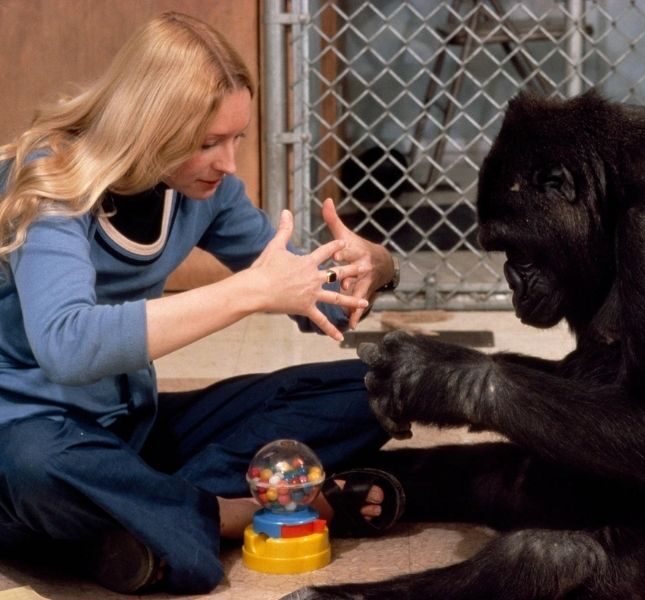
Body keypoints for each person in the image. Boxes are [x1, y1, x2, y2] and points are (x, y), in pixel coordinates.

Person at [0, 12, 403, 595]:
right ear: (147, 126)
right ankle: (233, 511)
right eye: (208, 142)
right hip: (32, 436)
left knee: (386, 383)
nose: (229, 162)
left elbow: (321, 305)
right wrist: (246, 293)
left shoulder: (205, 194)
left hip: (131, 429)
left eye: (236, 137)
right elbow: (69, 346)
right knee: (37, 470)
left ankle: (140, 518)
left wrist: (376, 265)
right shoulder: (52, 181)